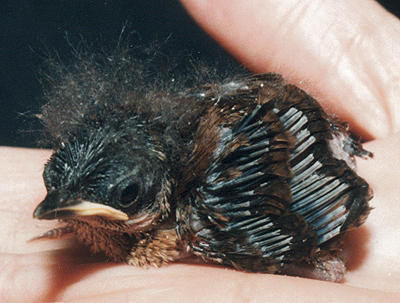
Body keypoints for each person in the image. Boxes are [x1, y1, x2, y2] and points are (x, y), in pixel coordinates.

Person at [1, 0, 399, 301]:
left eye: (127, 194)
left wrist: (307, 253)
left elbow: (332, 197)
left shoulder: (215, 208)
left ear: (159, 192)